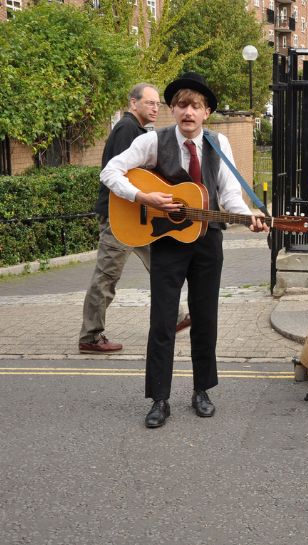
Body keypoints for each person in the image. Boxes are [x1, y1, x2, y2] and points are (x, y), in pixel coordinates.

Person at [101, 72, 268, 428]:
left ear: (206, 112)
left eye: (195, 106)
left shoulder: (218, 143)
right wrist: (142, 196)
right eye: (181, 105)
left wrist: (248, 216)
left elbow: (228, 194)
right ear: (172, 110)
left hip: (208, 242)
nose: (188, 112)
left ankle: (201, 390)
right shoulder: (151, 141)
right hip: (166, 242)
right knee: (162, 321)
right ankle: (159, 399)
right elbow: (110, 172)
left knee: (204, 318)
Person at [79, 83, 190, 354]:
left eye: (157, 104)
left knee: (161, 264)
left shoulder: (138, 130)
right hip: (121, 218)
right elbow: (117, 175)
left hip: (139, 217)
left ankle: (177, 317)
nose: (155, 108)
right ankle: (90, 336)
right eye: (149, 103)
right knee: (107, 276)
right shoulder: (127, 129)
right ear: (133, 104)